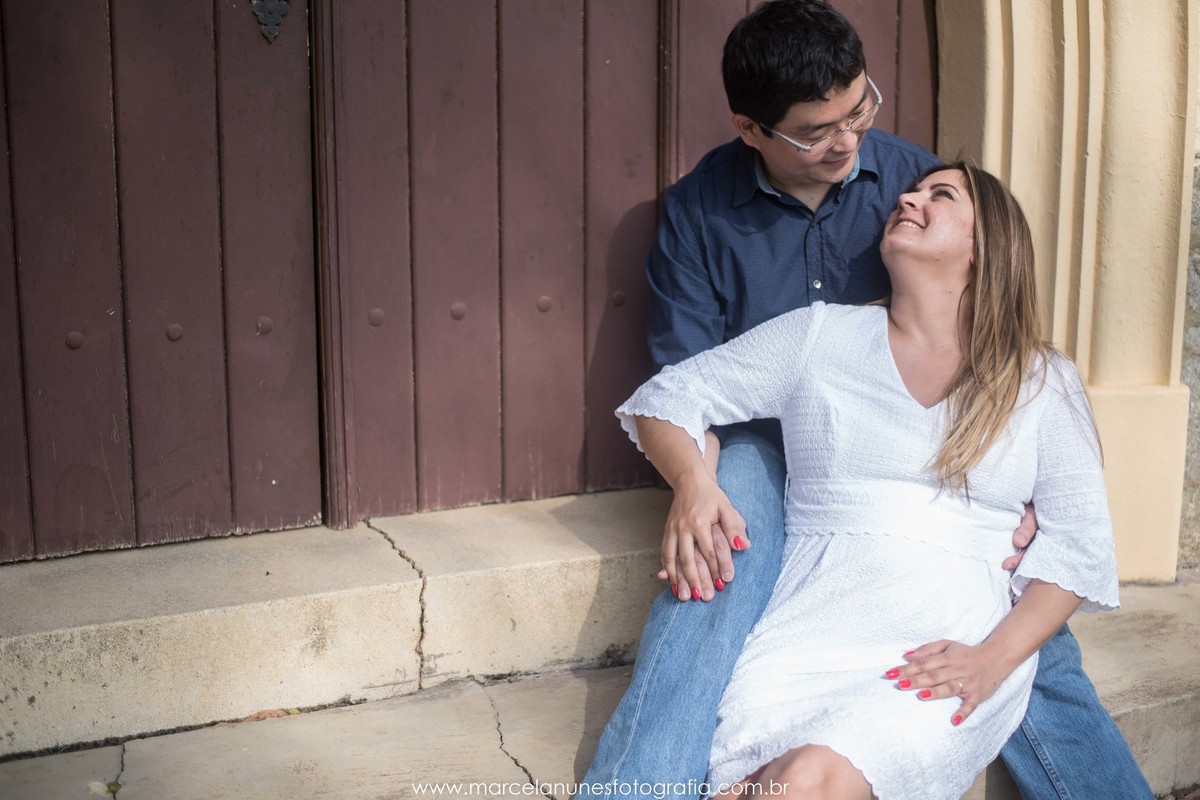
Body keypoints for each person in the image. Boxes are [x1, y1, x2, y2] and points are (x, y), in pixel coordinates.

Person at [579, 1, 1153, 798]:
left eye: (860, 110)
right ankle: (642, 786)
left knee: (1016, 625)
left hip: (915, 465)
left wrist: (1004, 493)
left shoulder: (912, 180)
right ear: (752, 129)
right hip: (762, 444)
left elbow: (981, 330)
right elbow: (688, 390)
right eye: (817, 132)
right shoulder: (700, 213)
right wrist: (692, 485)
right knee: (717, 547)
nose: (849, 141)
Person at [614, 162, 1116, 799]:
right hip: (809, 631)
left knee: (804, 780)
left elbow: (1078, 546)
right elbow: (669, 397)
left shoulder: (1041, 380)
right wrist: (693, 483)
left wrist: (993, 660)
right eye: (913, 189)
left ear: (987, 244)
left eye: (940, 195)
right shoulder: (820, 335)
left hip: (944, 650)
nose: (908, 198)